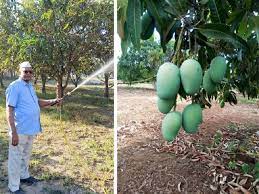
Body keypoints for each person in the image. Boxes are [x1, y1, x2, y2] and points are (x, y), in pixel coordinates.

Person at [5, 61, 62, 194]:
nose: (28, 74)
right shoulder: (15, 86)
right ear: (20, 71)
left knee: (26, 155)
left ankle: (24, 176)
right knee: (15, 158)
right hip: (20, 130)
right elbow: (9, 110)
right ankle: (13, 187)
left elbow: (37, 102)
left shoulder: (30, 86)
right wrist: (13, 132)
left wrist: (53, 101)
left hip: (31, 128)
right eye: (25, 71)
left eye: (30, 71)